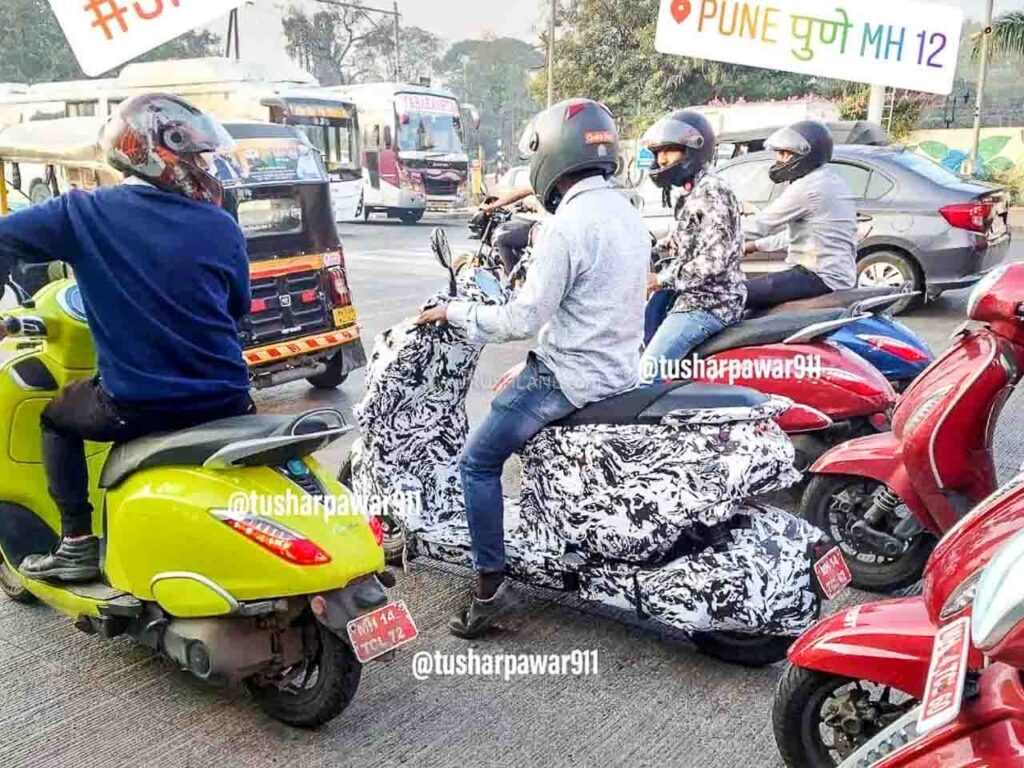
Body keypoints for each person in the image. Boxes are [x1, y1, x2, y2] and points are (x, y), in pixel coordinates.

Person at [415, 99, 649, 638]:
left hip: (568, 378)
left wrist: (454, 312)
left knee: (476, 462)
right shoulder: (626, 212)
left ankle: (490, 590)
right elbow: (593, 306)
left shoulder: (566, 226)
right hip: (618, 370)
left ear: (551, 157)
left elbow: (523, 316)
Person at [0, 94, 255, 583]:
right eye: (198, 155)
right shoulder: (220, 225)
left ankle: (76, 543)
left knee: (56, 418)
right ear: (160, 152)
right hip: (229, 398)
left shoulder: (83, 214)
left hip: (138, 404)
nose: (205, 166)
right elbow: (236, 309)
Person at [639, 110, 747, 374]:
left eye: (669, 151)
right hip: (692, 296)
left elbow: (713, 261)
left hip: (709, 303)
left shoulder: (711, 191)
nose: (661, 159)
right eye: (657, 152)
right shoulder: (693, 191)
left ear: (692, 151)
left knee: (646, 374)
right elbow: (683, 238)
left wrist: (660, 279)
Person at [742, 120, 858, 310]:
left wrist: (704, 240)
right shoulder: (828, 180)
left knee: (730, 296)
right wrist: (753, 246)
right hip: (830, 276)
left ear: (804, 154)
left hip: (818, 277)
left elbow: (761, 225)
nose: (779, 160)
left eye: (784, 154)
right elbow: (794, 236)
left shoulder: (809, 187)